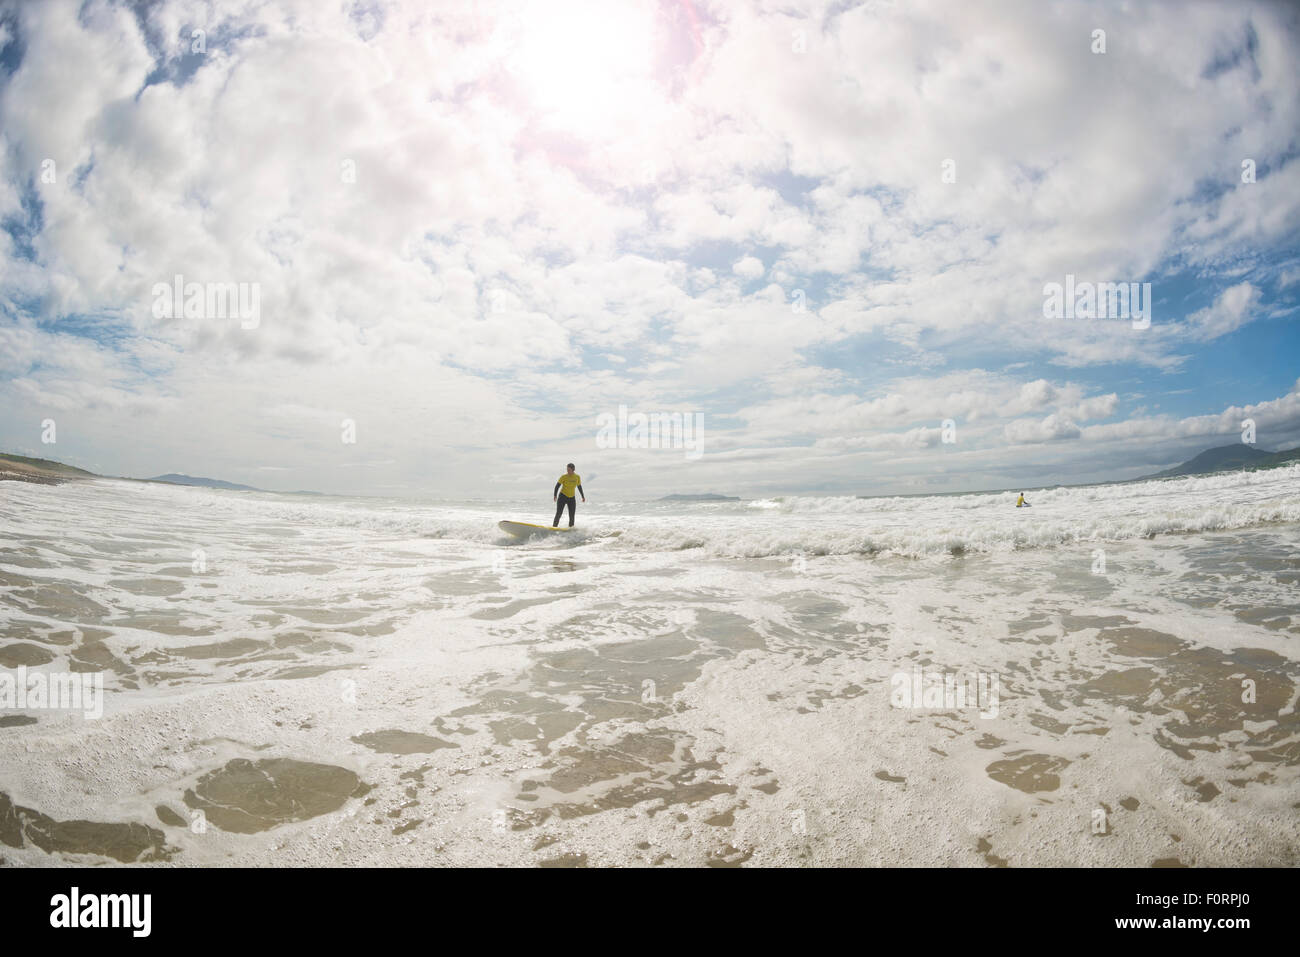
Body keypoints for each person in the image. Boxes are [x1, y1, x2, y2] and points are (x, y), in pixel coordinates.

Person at [553, 463, 585, 527]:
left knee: (572, 516)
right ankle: (554, 528)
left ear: (573, 469)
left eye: (569, 470)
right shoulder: (564, 477)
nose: (568, 471)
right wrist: (555, 495)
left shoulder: (577, 477)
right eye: (567, 469)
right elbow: (557, 486)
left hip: (572, 498)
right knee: (559, 513)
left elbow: (579, 487)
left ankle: (571, 530)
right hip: (562, 496)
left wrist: (582, 496)